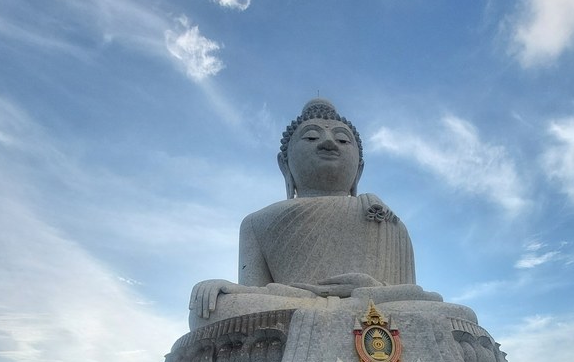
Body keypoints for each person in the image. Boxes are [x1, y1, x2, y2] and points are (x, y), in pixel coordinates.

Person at [188, 99, 438, 329]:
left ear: (359, 169)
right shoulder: (256, 223)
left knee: (444, 310)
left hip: (374, 312)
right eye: (310, 137)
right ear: (284, 164)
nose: (328, 143)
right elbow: (257, 295)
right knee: (211, 311)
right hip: (294, 307)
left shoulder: (384, 218)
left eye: (342, 140)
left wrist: (367, 291)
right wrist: (229, 291)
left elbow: (412, 294)